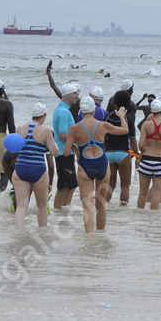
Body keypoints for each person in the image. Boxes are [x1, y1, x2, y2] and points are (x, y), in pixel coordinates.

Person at [64, 97, 128, 233]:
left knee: (87, 207)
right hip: (102, 164)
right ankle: (100, 237)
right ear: (93, 109)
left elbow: (65, 152)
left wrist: (75, 147)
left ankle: (90, 240)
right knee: (101, 206)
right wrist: (121, 116)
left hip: (85, 165)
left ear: (81, 110)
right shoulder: (103, 125)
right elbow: (124, 130)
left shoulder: (74, 128)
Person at [12, 103, 59, 227]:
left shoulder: (21, 128)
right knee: (42, 206)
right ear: (44, 115)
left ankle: (19, 233)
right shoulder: (46, 131)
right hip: (38, 169)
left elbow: (14, 148)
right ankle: (42, 233)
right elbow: (54, 152)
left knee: (21, 205)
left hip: (21, 168)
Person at [103, 90, 137, 206]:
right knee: (125, 185)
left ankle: (104, 205)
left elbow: (104, 137)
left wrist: (105, 151)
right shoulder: (128, 119)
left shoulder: (107, 117)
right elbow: (132, 140)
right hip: (123, 154)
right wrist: (137, 156)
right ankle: (123, 209)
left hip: (108, 154)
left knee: (110, 184)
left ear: (115, 104)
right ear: (127, 104)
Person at [136, 100, 161, 210]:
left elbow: (141, 145)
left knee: (142, 193)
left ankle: (140, 217)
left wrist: (144, 150)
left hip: (146, 160)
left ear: (151, 111)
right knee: (156, 194)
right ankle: (153, 222)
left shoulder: (146, 124)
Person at [53, 83, 80, 210]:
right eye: (74, 93)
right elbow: (63, 136)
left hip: (66, 153)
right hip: (64, 153)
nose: (77, 96)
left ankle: (65, 208)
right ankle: (58, 211)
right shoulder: (63, 111)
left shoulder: (63, 109)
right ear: (66, 95)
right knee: (63, 186)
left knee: (72, 185)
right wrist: (75, 147)